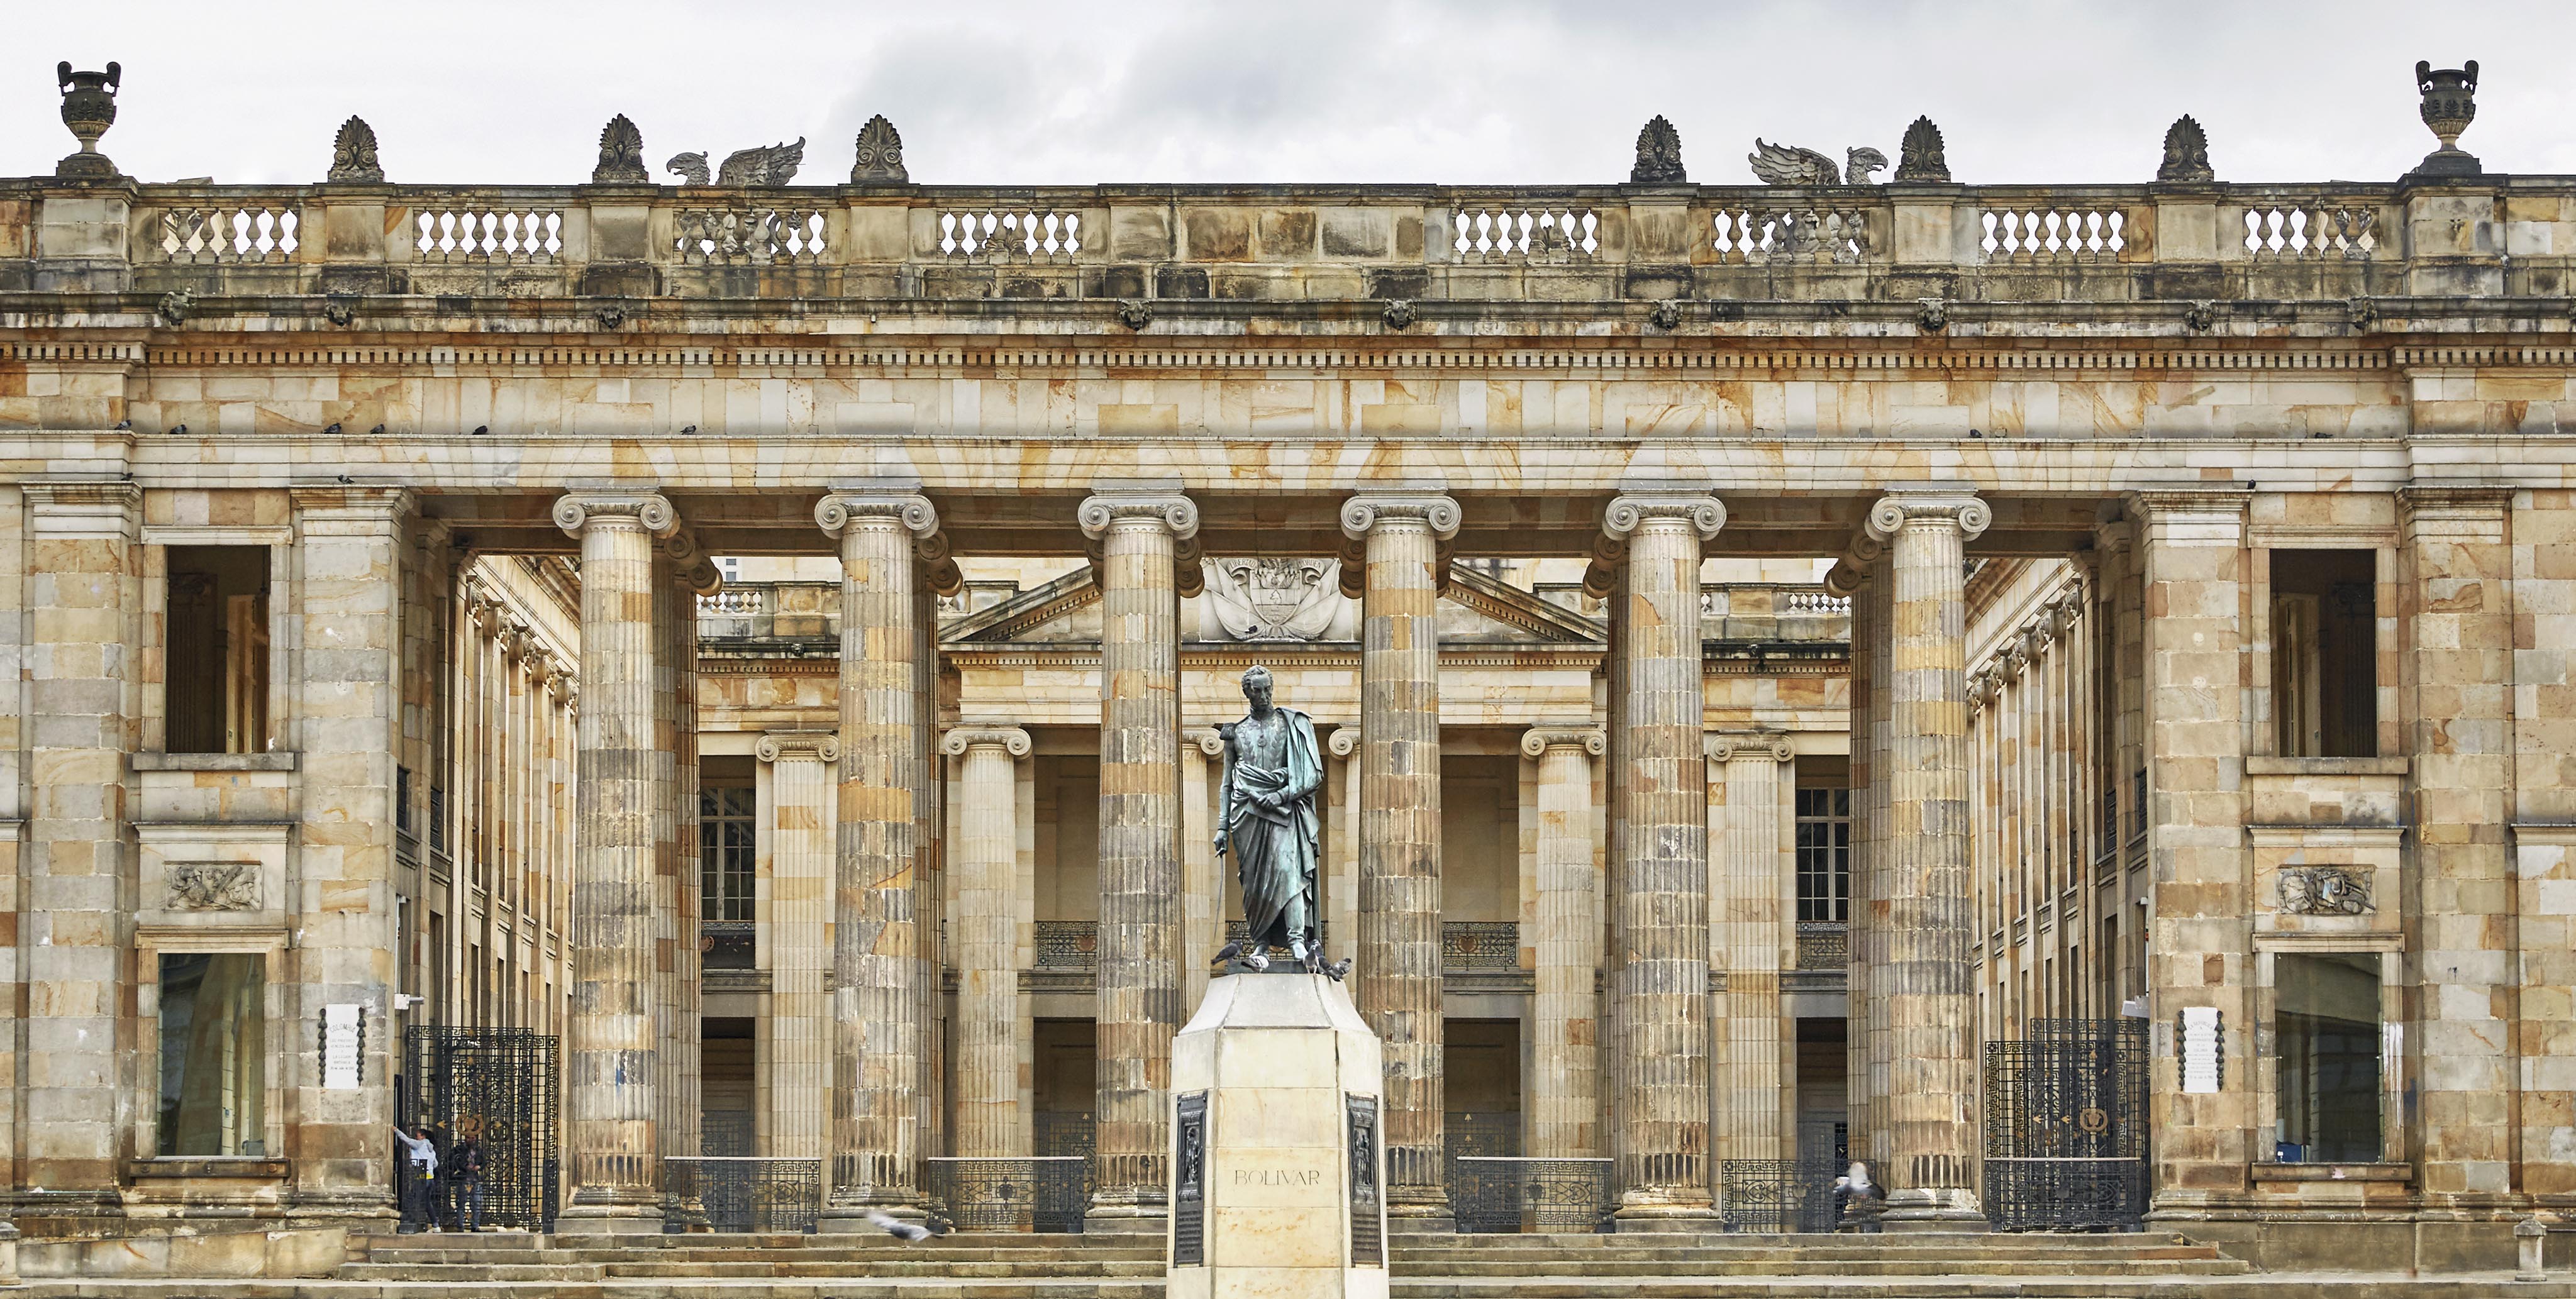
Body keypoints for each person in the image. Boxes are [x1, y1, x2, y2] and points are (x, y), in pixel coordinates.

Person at [1211, 665, 1326, 971]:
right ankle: (1261, 943)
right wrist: (1222, 826)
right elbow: (1227, 783)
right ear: (1246, 692)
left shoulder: (1293, 725)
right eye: (1256, 690)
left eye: (1267, 689)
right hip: (1247, 814)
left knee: (1290, 872)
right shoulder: (1235, 732)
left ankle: (1297, 940)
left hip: (1285, 810)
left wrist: (1281, 794)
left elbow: (1312, 774)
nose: (1263, 696)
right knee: (1254, 884)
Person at [391, 1124, 439, 1233]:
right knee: (426, 1202)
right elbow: (436, 1164)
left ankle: (410, 1221)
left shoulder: (420, 1144)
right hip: (430, 1178)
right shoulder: (432, 1150)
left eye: (417, 1135)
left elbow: (407, 1140)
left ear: (423, 1136)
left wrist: (396, 1130)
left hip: (421, 1177)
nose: (416, 1138)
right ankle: (436, 1225)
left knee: (412, 1198)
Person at [446, 1120, 487, 1232]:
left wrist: (479, 1167)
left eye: (473, 1138)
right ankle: (460, 1225)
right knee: (461, 1203)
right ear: (465, 1139)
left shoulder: (478, 1150)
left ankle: (475, 1225)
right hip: (463, 1179)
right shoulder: (459, 1149)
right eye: (469, 1138)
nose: (471, 1140)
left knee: (477, 1203)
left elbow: (484, 1161)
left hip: (475, 1179)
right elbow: (454, 1161)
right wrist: (465, 1166)